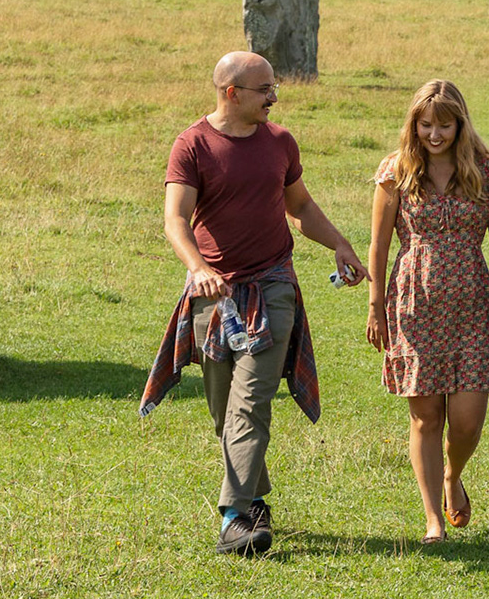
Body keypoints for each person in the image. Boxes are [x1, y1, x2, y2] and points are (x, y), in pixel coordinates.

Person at [141, 51, 368, 556]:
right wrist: (198, 268)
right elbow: (176, 220)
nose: (273, 97)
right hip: (214, 293)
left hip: (273, 288)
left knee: (251, 400)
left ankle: (234, 517)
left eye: (274, 88)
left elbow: (300, 206)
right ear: (231, 93)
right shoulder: (192, 144)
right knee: (224, 412)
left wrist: (339, 244)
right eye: (264, 89)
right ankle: (256, 497)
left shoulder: (280, 142)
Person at [366, 80, 489, 544]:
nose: (434, 134)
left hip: (472, 301)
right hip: (412, 302)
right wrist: (375, 307)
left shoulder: (486, 172)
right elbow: (379, 243)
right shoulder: (396, 172)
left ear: (460, 124)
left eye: (444, 125)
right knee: (426, 417)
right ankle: (432, 518)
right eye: (426, 124)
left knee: (468, 419)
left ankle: (454, 474)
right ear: (414, 124)